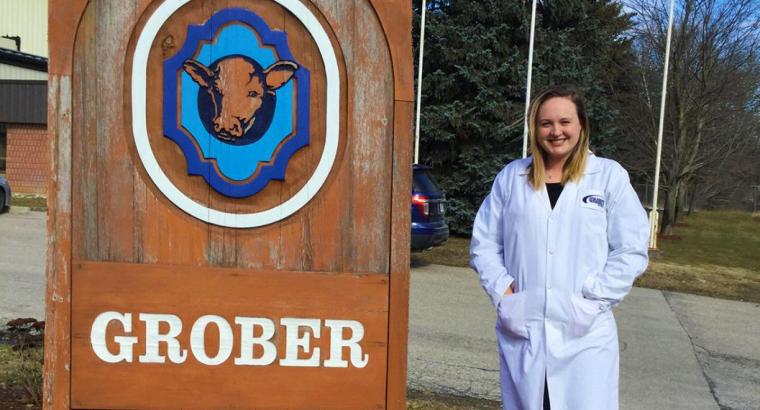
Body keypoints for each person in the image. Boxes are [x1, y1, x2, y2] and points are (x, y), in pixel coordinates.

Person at [469, 85, 650, 410]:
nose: (556, 132)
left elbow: (631, 249)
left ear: (581, 125)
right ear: (535, 128)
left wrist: (594, 298)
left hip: (585, 333)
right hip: (525, 327)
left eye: (565, 122)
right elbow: (484, 243)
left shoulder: (608, 177)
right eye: (546, 123)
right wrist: (503, 293)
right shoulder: (512, 177)